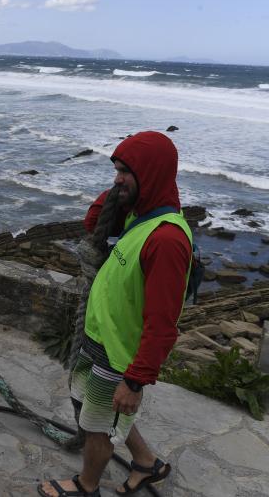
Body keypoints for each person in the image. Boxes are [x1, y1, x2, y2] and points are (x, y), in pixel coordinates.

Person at [39, 131, 192, 497]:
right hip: (99, 338)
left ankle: (86, 485)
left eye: (126, 171)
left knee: (97, 425)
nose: (117, 178)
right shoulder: (140, 216)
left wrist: (136, 380)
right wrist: (116, 195)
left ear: (151, 174)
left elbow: (162, 323)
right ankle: (145, 462)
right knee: (98, 411)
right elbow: (95, 226)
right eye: (116, 169)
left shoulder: (167, 239)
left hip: (118, 352)